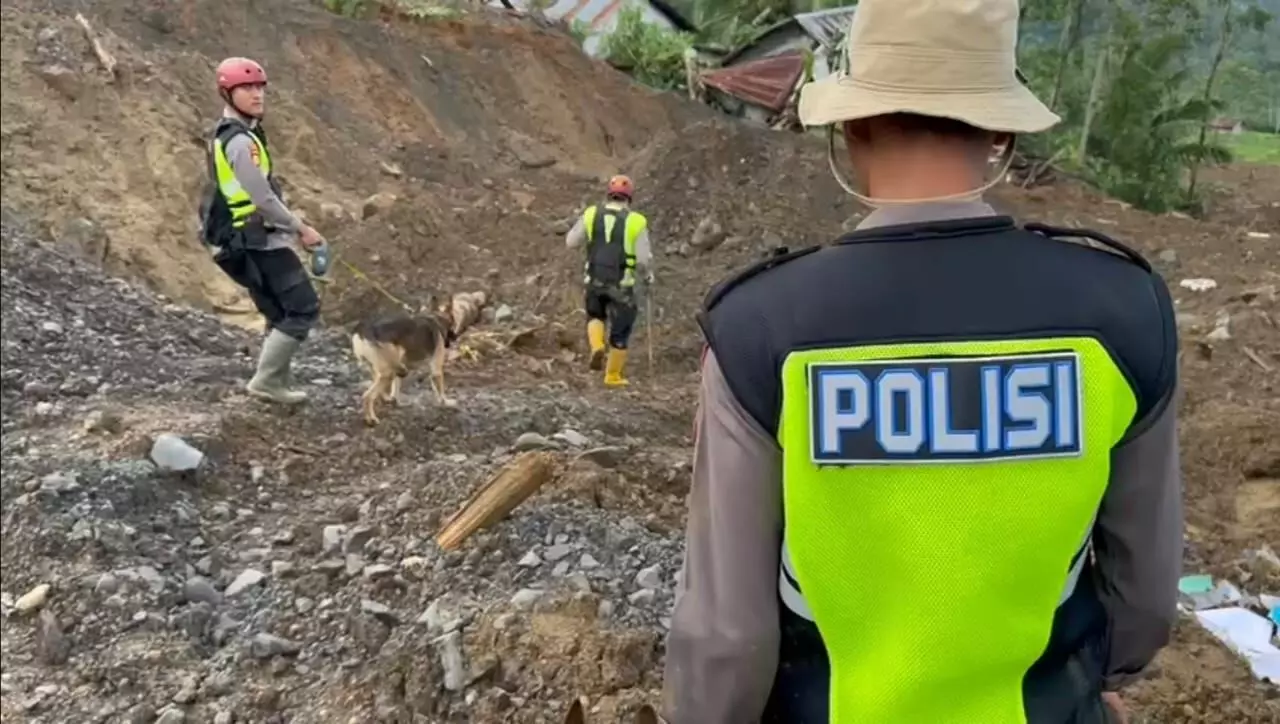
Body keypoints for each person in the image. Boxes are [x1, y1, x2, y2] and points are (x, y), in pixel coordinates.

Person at [662, 1, 1182, 723]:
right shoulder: (1123, 313)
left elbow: (727, 637)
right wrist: (1091, 680)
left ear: (851, 126)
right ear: (1000, 130)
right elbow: (1146, 595)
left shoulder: (762, 330)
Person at [199, 56, 325, 404]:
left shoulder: (230, 135)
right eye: (247, 88)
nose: (257, 95)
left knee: (278, 311)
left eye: (260, 87)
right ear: (227, 93)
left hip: (242, 240)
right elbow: (263, 199)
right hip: (256, 240)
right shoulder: (240, 142)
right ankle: (268, 383)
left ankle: (276, 386)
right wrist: (302, 229)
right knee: (302, 308)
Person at [564, 175, 655, 387]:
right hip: (622, 285)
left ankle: (596, 346)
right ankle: (612, 375)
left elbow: (570, 242)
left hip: (594, 279)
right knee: (621, 329)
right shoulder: (636, 221)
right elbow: (643, 260)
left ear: (608, 194)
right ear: (629, 198)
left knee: (595, 315)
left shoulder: (591, 214)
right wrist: (648, 276)